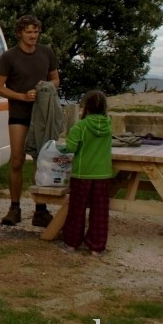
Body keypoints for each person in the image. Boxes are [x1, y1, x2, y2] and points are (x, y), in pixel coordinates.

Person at [0, 14, 60, 227]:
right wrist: (22, 96)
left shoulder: (46, 52)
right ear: (20, 33)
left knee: (42, 161)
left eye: (36, 32)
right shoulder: (9, 57)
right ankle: (14, 208)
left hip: (42, 115)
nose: (33, 36)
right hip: (19, 114)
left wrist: (46, 87)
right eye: (29, 32)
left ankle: (41, 209)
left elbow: (56, 79)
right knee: (16, 160)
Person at [59, 90, 114, 256]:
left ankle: (71, 243)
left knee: (77, 210)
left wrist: (62, 147)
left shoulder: (81, 126)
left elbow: (71, 148)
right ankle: (96, 247)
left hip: (82, 174)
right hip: (103, 174)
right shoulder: (108, 124)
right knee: (100, 212)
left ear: (86, 107)